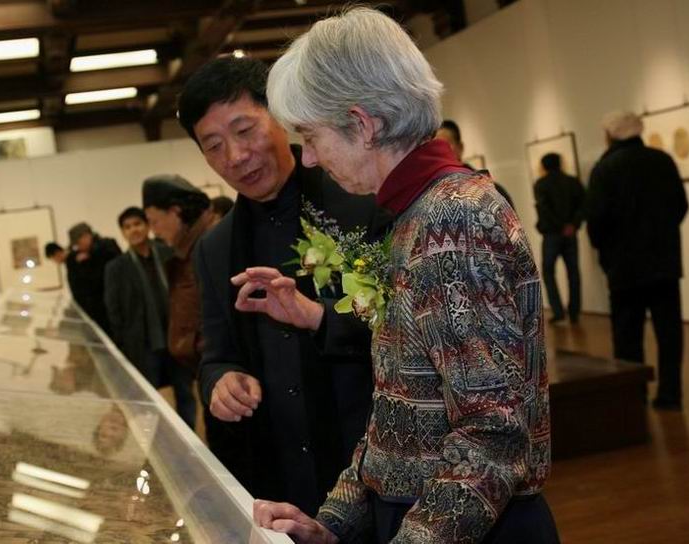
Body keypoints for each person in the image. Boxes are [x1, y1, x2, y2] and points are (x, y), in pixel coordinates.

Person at [250, 7, 558, 543]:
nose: (309, 158)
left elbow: (492, 434)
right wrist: (333, 523)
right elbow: (398, 408)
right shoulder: (417, 214)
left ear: (363, 125)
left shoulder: (452, 220)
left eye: (311, 136)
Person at [178, 56, 387, 517]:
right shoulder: (214, 248)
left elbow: (405, 329)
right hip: (280, 476)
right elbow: (215, 353)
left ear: (280, 116)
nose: (235, 157)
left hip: (372, 463)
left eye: (244, 130)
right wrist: (221, 381)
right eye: (214, 146)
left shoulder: (358, 203)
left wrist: (318, 317)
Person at [587, 111, 689, 410]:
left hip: (624, 266)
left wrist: (606, 252)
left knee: (628, 336)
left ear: (610, 135)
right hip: (664, 263)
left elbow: (596, 220)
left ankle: (634, 396)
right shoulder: (662, 160)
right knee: (669, 334)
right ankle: (671, 394)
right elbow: (680, 205)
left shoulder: (605, 168)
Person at [103, 207, 198, 424]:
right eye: (127, 227)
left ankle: (189, 438)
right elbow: (114, 311)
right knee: (147, 402)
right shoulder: (116, 268)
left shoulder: (169, 254)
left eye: (137, 224)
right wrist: (125, 344)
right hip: (143, 346)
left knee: (185, 394)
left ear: (147, 226)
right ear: (122, 233)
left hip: (176, 339)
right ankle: (155, 442)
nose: (133, 230)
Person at [142, 175, 214, 429]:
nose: (153, 231)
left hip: (221, 375)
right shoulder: (188, 250)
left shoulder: (208, 246)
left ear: (175, 212)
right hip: (207, 371)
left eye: (154, 221)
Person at [534, 152, 585, 325]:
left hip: (551, 235)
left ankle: (558, 311)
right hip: (570, 234)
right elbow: (582, 205)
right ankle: (574, 312)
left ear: (544, 166)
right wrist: (572, 225)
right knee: (573, 273)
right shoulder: (572, 182)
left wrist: (560, 226)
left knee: (548, 272)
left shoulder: (541, 184)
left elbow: (544, 209)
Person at [436, 119, 515, 209]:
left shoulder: (491, 191)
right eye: (434, 148)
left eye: (444, 146)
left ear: (460, 148)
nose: (439, 152)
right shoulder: (434, 196)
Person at [65, 222, 121, 331]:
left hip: (112, 308)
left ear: (87, 236)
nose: (78, 247)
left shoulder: (107, 248)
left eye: (78, 243)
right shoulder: (74, 257)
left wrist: (90, 258)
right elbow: (77, 288)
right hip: (94, 313)